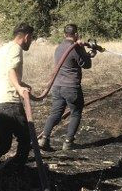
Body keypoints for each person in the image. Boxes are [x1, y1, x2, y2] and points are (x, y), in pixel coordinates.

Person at [0, 23, 36, 177]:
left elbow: (6, 74)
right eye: (31, 38)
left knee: (4, 144)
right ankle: (16, 174)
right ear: (26, 36)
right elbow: (12, 70)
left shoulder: (2, 49)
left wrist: (23, 85)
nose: (31, 41)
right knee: (26, 140)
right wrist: (19, 89)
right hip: (8, 103)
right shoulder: (16, 48)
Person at [39, 23, 96, 152]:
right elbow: (86, 65)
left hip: (57, 86)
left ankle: (44, 139)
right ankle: (68, 143)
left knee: (55, 114)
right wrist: (89, 54)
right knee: (76, 113)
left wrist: (85, 53)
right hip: (71, 88)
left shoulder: (59, 47)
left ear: (65, 34)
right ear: (76, 34)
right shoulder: (75, 48)